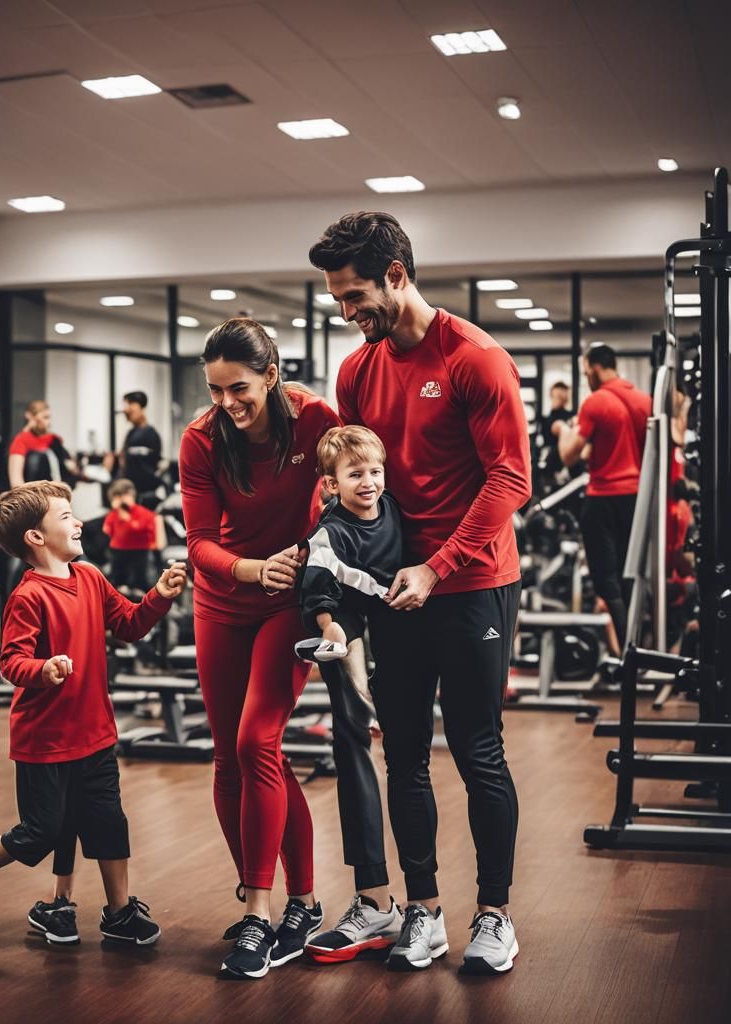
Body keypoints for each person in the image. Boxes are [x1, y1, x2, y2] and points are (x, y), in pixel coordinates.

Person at [310, 211, 532, 976]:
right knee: (402, 754)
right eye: (339, 299)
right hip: (393, 594)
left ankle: (495, 915)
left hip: (471, 586)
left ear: (397, 275)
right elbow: (354, 478)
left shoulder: (475, 358)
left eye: (357, 295)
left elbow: (511, 478)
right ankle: (425, 913)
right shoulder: (357, 370)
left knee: (478, 752)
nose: (348, 312)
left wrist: (437, 567)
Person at [0, 480, 187, 947]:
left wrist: (158, 594)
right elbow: (10, 662)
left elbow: (130, 625)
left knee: (109, 822)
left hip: (95, 732)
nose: (78, 522)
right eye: (66, 516)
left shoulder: (90, 577)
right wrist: (44, 669)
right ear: (35, 537)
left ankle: (118, 914)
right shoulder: (28, 596)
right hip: (45, 739)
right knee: (42, 831)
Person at [179, 318, 340, 980]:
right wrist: (250, 567)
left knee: (257, 743)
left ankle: (267, 912)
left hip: (286, 603)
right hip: (224, 598)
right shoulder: (201, 440)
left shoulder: (315, 421)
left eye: (238, 388)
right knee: (228, 757)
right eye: (215, 391)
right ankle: (282, 902)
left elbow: (356, 490)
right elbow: (197, 544)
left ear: (271, 375)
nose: (227, 404)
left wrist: (317, 560)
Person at [293, 425, 408, 964]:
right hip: (347, 634)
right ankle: (373, 894)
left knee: (407, 755)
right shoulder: (329, 531)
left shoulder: (395, 512)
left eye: (375, 472)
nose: (368, 482)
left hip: (399, 633)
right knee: (355, 741)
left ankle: (419, 903)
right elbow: (318, 589)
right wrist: (328, 626)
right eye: (355, 474)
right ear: (330, 484)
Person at [557, 344, 650, 649]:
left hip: (603, 497)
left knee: (605, 582)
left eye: (586, 371)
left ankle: (628, 652)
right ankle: (637, 648)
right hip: (636, 498)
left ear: (595, 367)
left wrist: (564, 431)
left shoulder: (595, 402)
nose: (586, 377)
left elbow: (569, 456)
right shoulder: (643, 400)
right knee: (630, 575)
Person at [103, 478, 159, 594]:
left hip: (140, 550)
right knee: (117, 576)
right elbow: (107, 529)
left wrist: (127, 519)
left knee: (140, 577)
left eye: (125, 495)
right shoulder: (113, 514)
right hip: (119, 549)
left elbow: (142, 529)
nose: (122, 500)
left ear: (132, 495)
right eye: (118, 497)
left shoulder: (144, 513)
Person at [106, 391, 163, 503]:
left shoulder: (150, 434)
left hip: (141, 496)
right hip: (129, 494)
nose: (126, 410)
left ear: (140, 406)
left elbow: (145, 468)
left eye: (130, 405)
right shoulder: (131, 433)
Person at [7, 400, 78, 488]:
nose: (48, 422)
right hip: (35, 495)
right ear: (31, 417)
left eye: (49, 417)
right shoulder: (20, 441)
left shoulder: (54, 439)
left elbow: (70, 467)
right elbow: (16, 482)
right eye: (45, 417)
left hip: (57, 492)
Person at [539, 380, 572, 480]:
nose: (559, 399)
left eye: (561, 396)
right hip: (551, 464)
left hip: (567, 462)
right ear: (551, 396)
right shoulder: (545, 420)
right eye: (556, 396)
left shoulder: (571, 417)